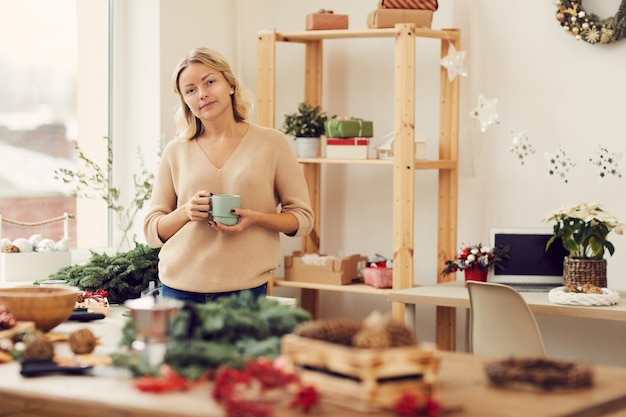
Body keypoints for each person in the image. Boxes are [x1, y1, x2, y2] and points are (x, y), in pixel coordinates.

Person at [143, 47, 314, 304]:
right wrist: (186, 212)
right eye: (190, 90)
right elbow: (152, 231)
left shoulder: (271, 143)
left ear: (230, 85)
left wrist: (255, 218)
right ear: (185, 101)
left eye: (210, 82)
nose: (202, 94)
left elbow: (302, 219)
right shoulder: (176, 150)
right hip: (179, 289)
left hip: (246, 290)